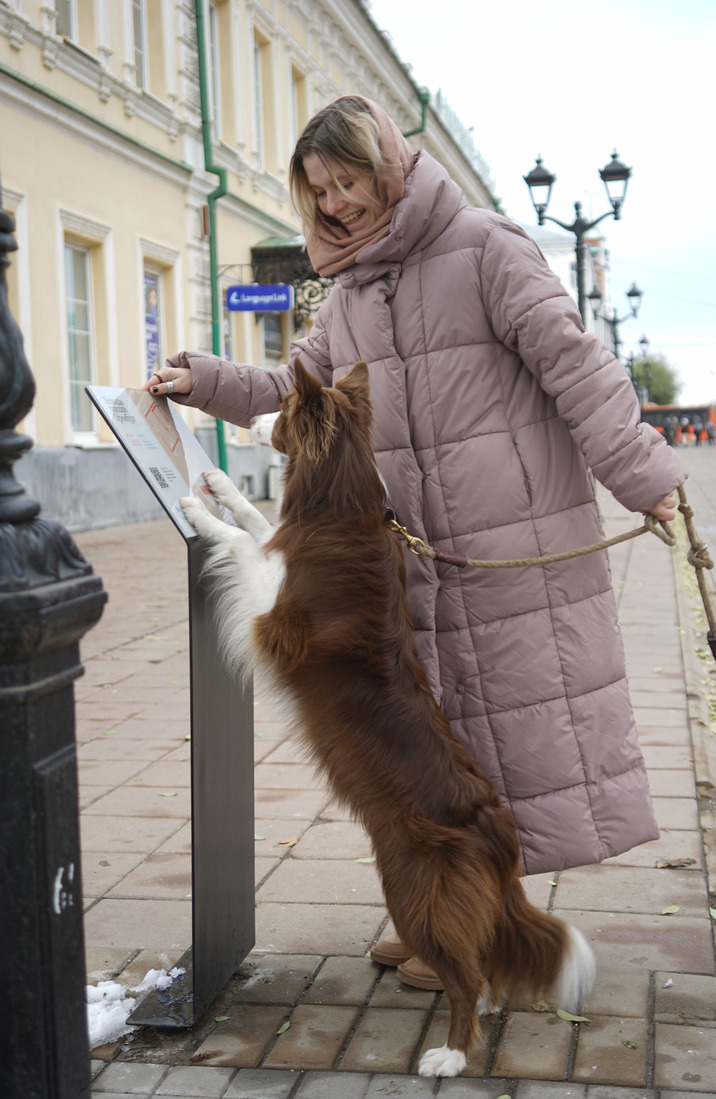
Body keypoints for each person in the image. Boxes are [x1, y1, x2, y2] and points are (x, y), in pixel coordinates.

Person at [144, 95, 685, 990]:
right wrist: (202, 380)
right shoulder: (351, 288)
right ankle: (444, 906)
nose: (337, 204)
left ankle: (475, 928)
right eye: (318, 191)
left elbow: (575, 362)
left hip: (510, 539)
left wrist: (645, 474)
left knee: (512, 735)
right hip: (418, 556)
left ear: (387, 161)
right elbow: (293, 382)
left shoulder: (486, 246)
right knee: (444, 743)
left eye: (347, 180)